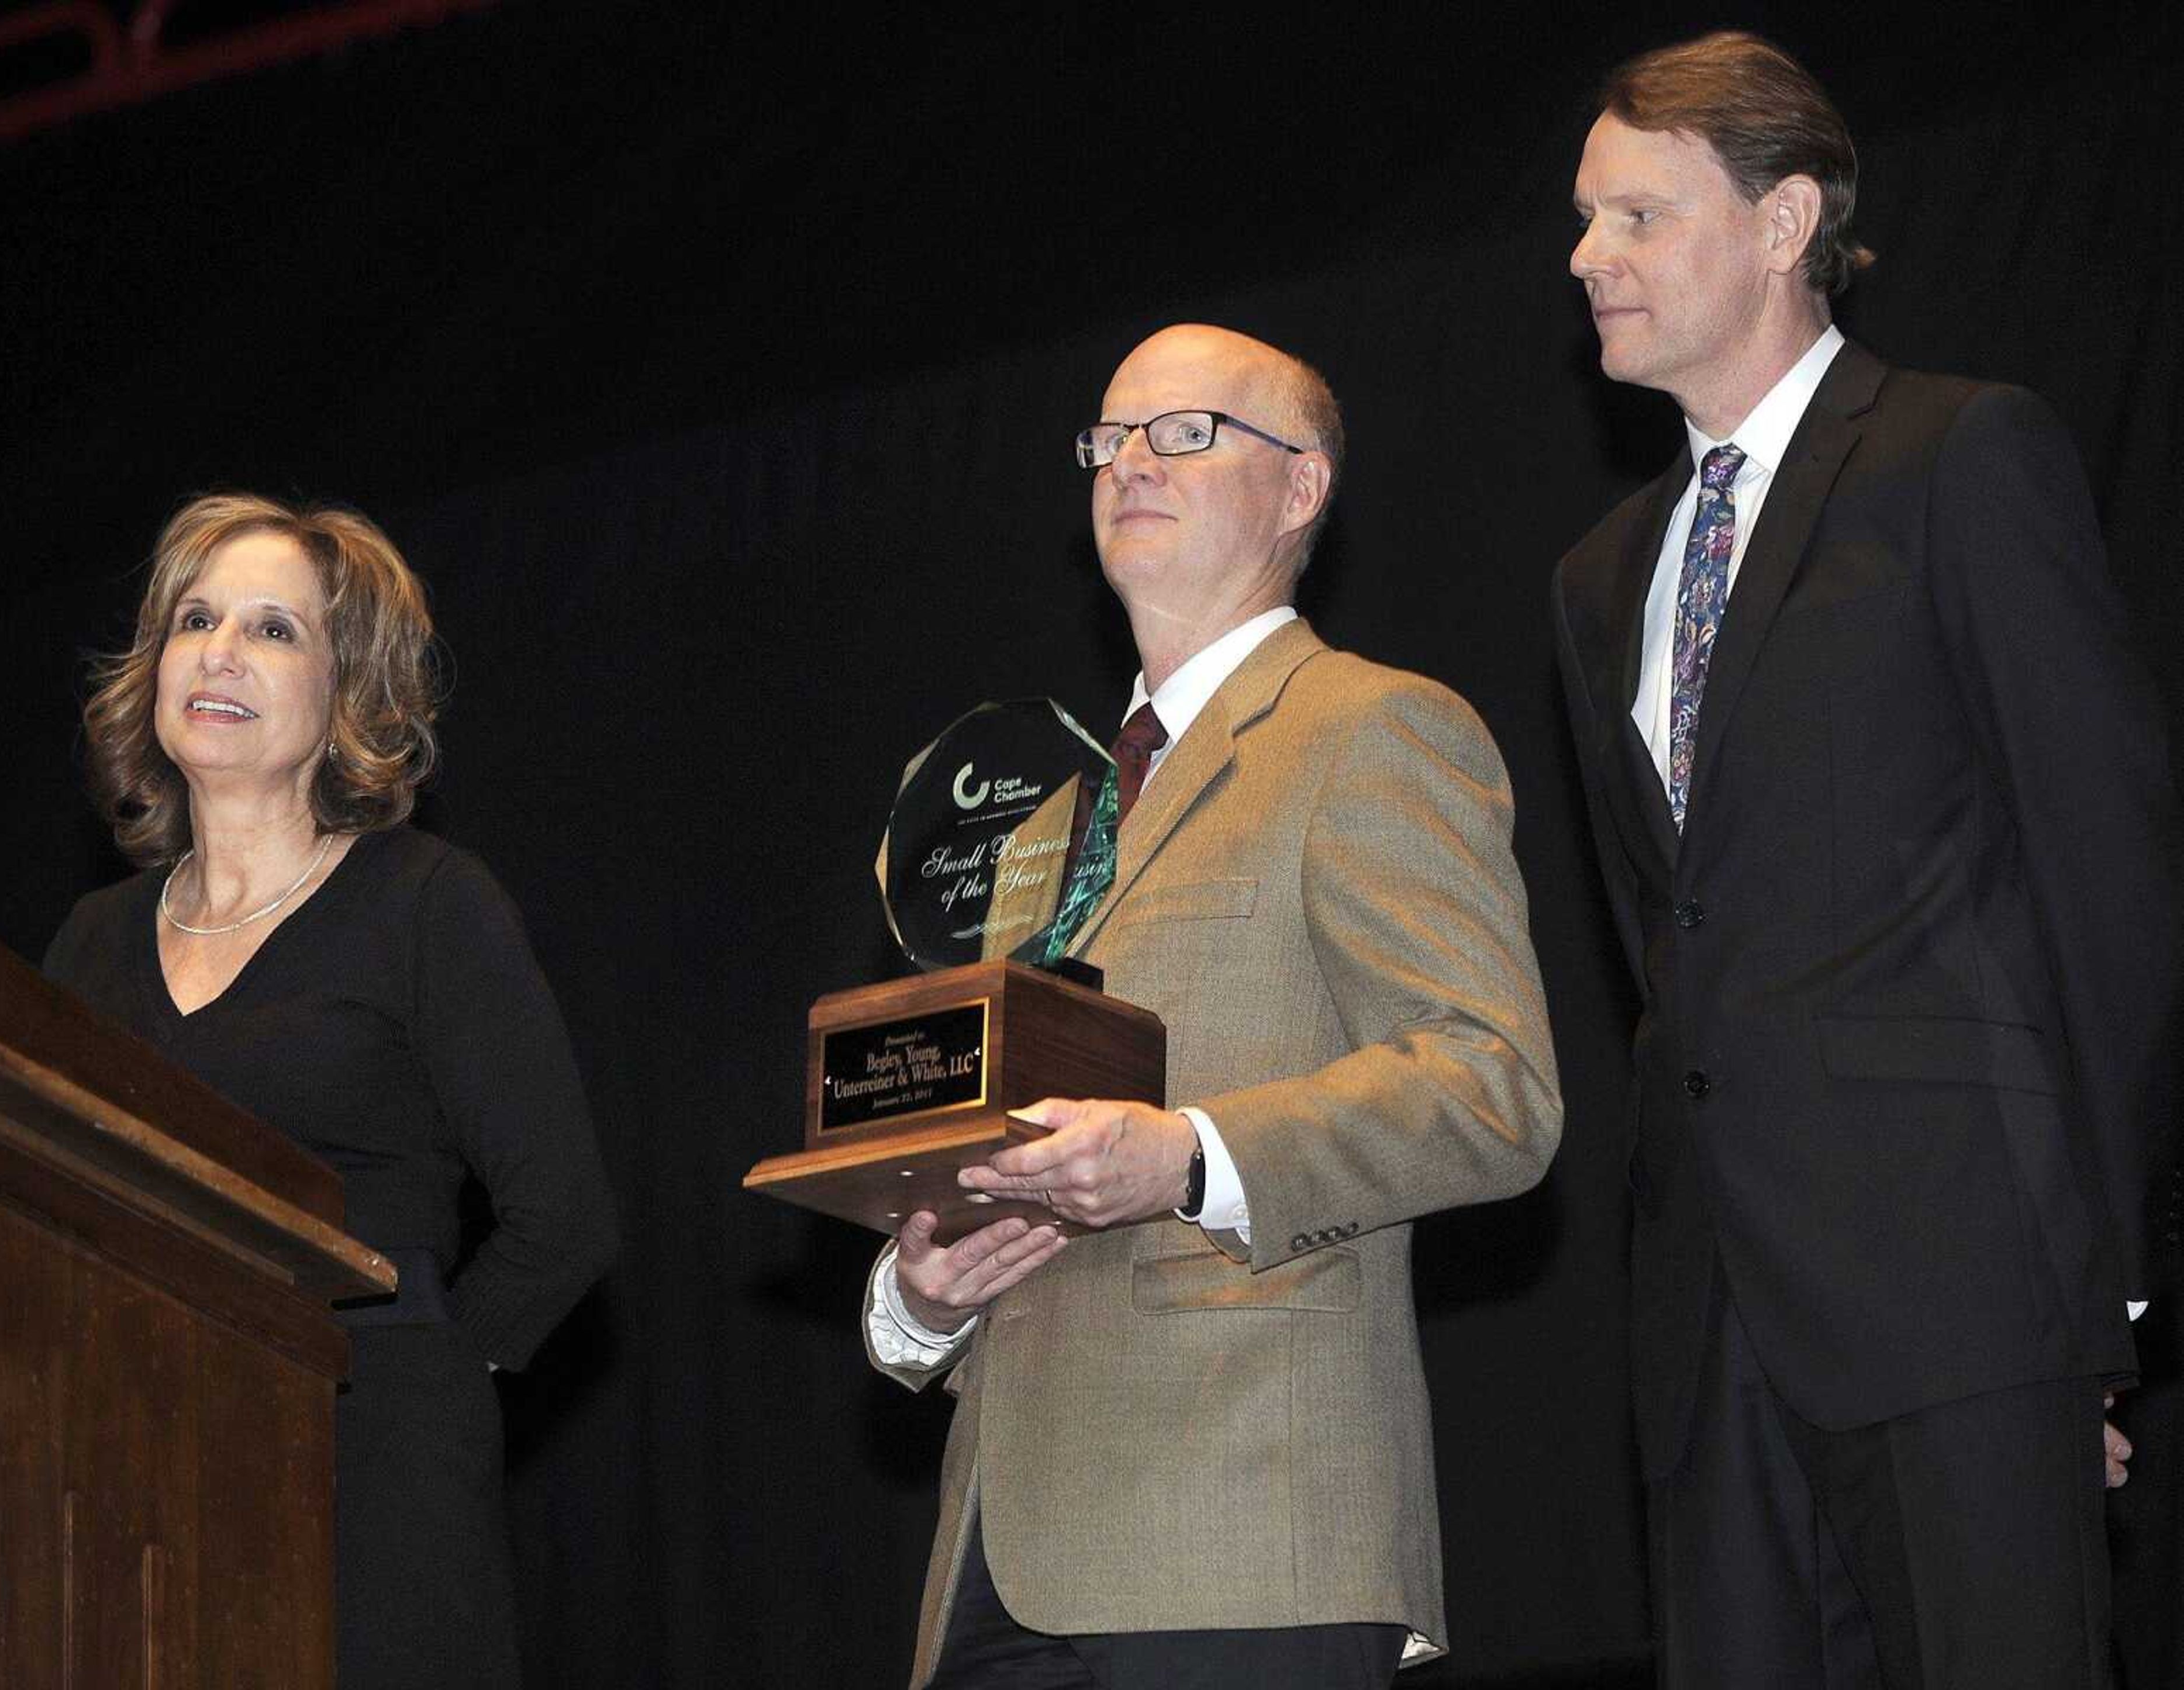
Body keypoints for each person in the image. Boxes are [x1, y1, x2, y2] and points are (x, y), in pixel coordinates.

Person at [1550, 32, 2183, 1688]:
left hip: (1963, 1284)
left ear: (1783, 223)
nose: (1586, 258)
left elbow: (2108, 876)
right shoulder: (1601, 574)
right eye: (1583, 219)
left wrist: (2097, 1307)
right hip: (1710, 1320)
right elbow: (1663, 941)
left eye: (1635, 214)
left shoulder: (1959, 455)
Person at [864, 323, 1564, 1689]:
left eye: (1186, 432)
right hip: (994, 1562)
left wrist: (1188, 1157)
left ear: (1302, 489)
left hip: (1247, 1531)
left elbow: (1496, 1089)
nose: (1132, 461)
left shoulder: (1370, 728)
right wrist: (920, 1296)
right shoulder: (1033, 824)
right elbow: (987, 1135)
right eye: (1110, 437)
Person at [44, 493, 620, 1690]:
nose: (219, 652)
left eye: (273, 631)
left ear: (346, 696)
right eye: (196, 620)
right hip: (124, 1465)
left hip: (370, 1478)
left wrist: (420, 1377)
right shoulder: (89, 945)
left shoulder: (427, 905)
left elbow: (562, 1219)